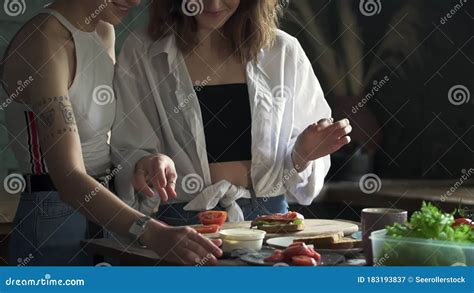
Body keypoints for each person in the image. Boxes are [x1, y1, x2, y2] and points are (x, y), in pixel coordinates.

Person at [1, 0, 222, 266]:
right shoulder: (44, 42)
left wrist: (144, 162)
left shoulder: (103, 30)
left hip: (110, 211)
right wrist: (152, 232)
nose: (135, 1)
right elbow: (68, 178)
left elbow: (99, 139)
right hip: (54, 214)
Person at [112, 0, 352, 226]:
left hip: (270, 217)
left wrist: (303, 153)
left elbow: (303, 176)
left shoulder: (283, 51)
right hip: (180, 222)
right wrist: (148, 163)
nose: (214, 4)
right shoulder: (142, 50)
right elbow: (128, 146)